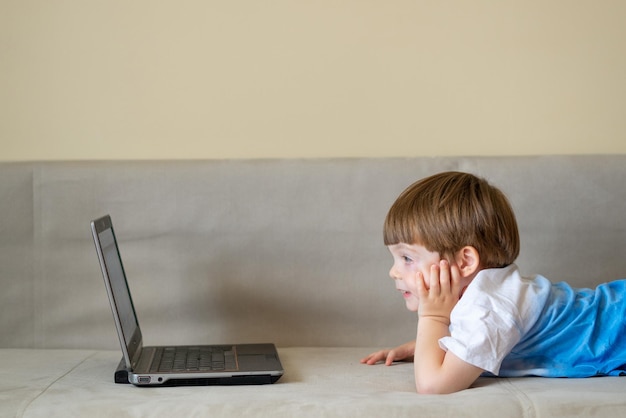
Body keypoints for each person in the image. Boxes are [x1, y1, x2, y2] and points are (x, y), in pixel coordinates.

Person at [360, 171, 626, 394]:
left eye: (406, 257)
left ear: (465, 262)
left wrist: (432, 318)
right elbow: (476, 339)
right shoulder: (489, 295)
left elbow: (433, 385)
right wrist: (423, 346)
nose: (393, 272)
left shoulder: (489, 307)